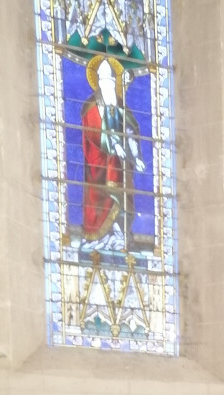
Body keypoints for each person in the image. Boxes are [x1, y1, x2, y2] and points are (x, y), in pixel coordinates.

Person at [81, 55, 145, 251]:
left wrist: (136, 155)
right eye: (104, 81)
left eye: (111, 81)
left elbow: (131, 129)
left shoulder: (120, 105)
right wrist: (113, 146)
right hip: (99, 165)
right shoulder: (91, 107)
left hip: (120, 163)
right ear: (99, 83)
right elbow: (92, 132)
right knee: (102, 198)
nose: (108, 85)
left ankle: (121, 235)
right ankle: (99, 239)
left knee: (123, 196)